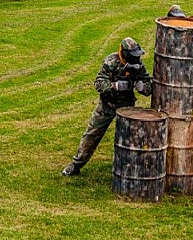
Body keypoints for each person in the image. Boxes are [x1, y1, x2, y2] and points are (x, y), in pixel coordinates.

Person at [61, 37, 153, 176]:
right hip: (107, 105)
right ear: (125, 53)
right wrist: (114, 86)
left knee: (130, 139)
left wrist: (143, 87)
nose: (136, 59)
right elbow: (99, 83)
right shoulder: (111, 62)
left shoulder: (138, 65)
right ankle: (76, 164)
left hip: (127, 108)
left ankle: (130, 168)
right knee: (92, 135)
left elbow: (149, 85)